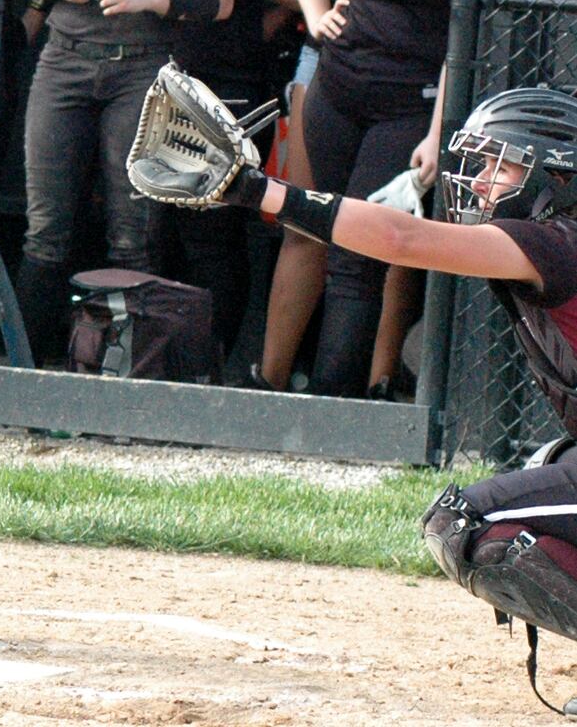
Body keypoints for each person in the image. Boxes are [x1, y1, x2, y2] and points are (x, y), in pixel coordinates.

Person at [150, 83, 577, 713]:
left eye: (503, 165)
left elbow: (402, 239)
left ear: (559, 178)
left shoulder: (555, 241)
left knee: (472, 522)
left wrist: (257, 189)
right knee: (550, 467)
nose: (482, 182)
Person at [12, 0, 233, 366]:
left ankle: (128, 374)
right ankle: (27, 369)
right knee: (46, 227)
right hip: (65, 59)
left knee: (135, 229)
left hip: (142, 64)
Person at [285, 0, 457, 398]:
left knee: (361, 250)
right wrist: (314, 16)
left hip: (405, 106)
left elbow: (459, 42)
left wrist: (438, 132)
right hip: (335, 94)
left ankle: (335, 398)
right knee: (330, 236)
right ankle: (326, 387)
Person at [253, 0, 407, 391]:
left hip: (405, 77)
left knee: (393, 235)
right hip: (327, 66)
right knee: (308, 220)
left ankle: (376, 385)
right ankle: (270, 377)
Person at [165, 0, 287, 353]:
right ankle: (153, 349)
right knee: (153, 222)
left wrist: (250, 38)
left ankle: (211, 358)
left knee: (214, 225)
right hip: (162, 75)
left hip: (232, 84)